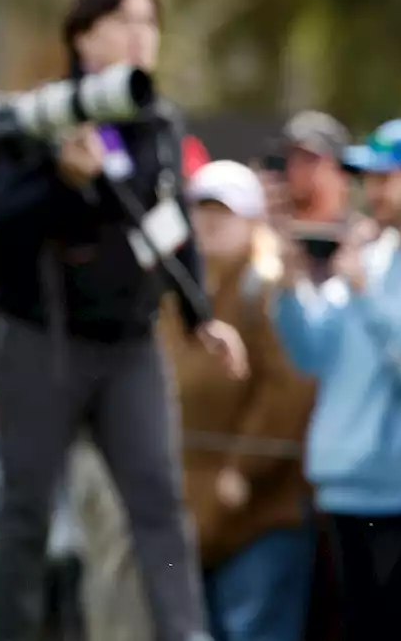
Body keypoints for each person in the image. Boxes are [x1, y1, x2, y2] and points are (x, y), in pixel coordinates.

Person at [0, 0, 247, 641]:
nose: (140, 36)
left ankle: (187, 634)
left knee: (159, 505)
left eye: (150, 24)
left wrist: (199, 313)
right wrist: (61, 182)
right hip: (43, 341)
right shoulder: (39, 116)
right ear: (83, 35)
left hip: (131, 345)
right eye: (124, 22)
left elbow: (170, 221)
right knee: (25, 515)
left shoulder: (156, 119)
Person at [272, 118, 401, 641]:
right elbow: (314, 352)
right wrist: (292, 283)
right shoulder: (368, 256)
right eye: (370, 179)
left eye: (388, 178)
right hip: (340, 491)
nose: (373, 191)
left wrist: (366, 295)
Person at [164, 160, 318, 641]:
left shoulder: (267, 285)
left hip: (259, 511)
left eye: (223, 211)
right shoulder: (181, 288)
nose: (209, 221)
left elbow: (290, 388)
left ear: (251, 219)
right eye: (201, 209)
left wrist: (242, 468)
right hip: (193, 505)